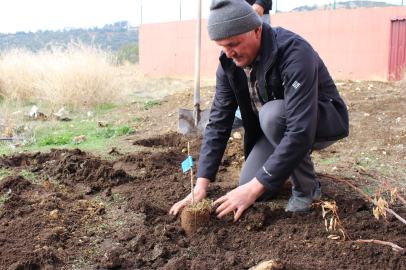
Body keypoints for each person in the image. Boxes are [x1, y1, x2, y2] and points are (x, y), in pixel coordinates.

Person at [170, 0, 349, 222]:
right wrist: (200, 186)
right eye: (222, 46)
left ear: (257, 30)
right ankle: (285, 168)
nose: (228, 53)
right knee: (248, 184)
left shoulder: (294, 52)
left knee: (271, 115)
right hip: (277, 126)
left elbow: (300, 129)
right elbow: (218, 123)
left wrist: (256, 188)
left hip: (320, 121)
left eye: (234, 43)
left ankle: (306, 188)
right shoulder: (228, 64)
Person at [233, 0, 273, 130]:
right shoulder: (226, 57)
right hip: (232, 16)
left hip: (255, 10)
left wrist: (261, 3)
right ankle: (242, 115)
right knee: (238, 66)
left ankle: (269, 117)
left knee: (262, 66)